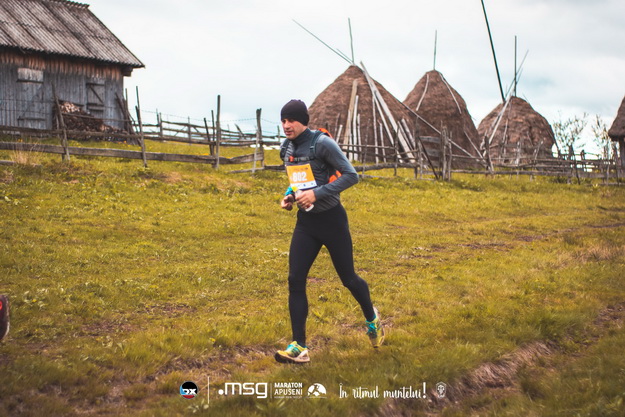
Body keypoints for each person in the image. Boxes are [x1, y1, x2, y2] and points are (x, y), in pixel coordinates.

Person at [274, 99, 384, 364]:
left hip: (332, 221)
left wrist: (316, 194)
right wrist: (290, 196)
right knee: (295, 279)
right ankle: (299, 347)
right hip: (306, 224)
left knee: (348, 279)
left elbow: (351, 175)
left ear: (304, 121)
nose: (286, 125)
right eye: (283, 120)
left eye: (291, 120)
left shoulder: (322, 144)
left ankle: (372, 318)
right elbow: (298, 180)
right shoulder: (286, 148)